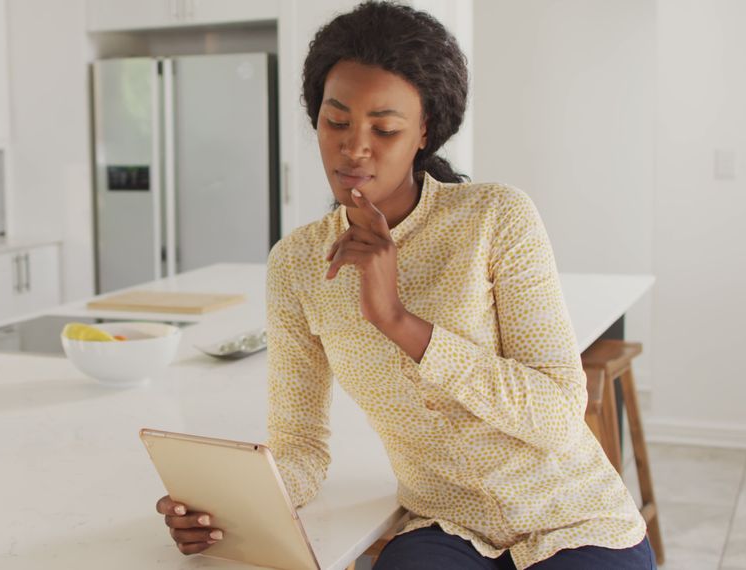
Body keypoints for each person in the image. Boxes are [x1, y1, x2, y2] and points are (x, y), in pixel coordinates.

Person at [155, 2, 656, 568]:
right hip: (445, 525)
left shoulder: (495, 217)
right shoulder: (296, 265)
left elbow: (558, 414)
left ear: (424, 131)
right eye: (335, 122)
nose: (353, 148)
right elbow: (300, 448)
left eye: (384, 129)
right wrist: (228, 508)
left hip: (571, 516)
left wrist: (399, 321)